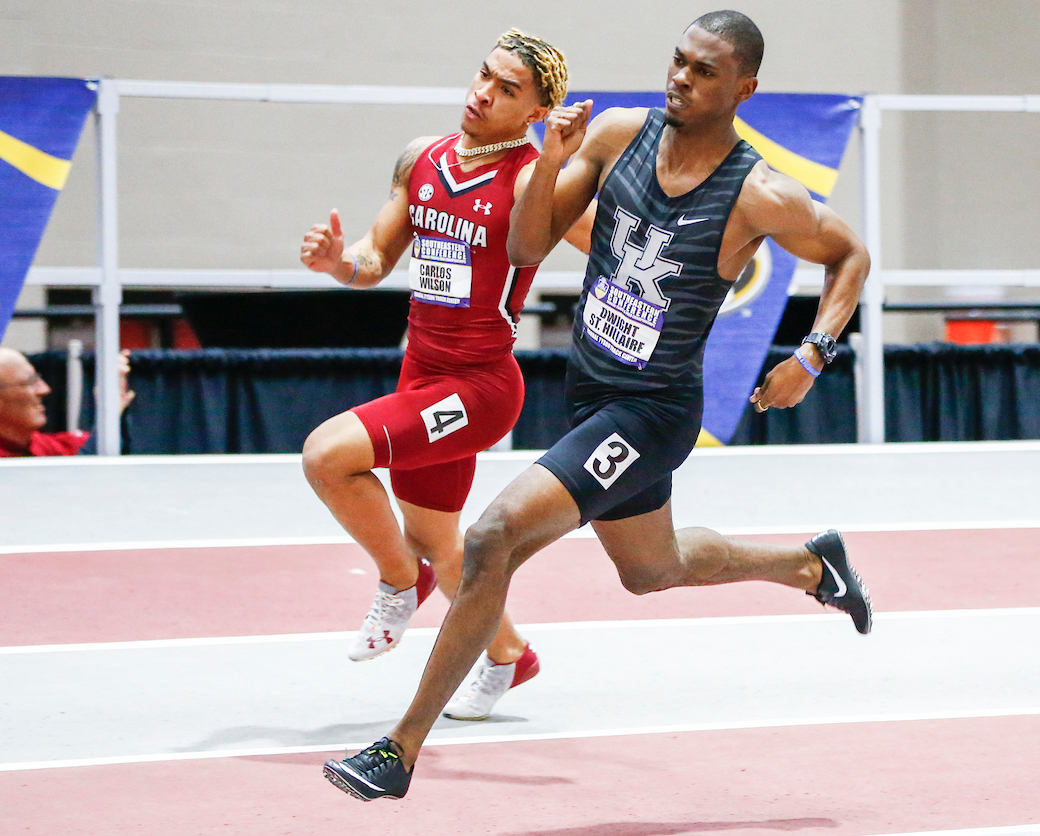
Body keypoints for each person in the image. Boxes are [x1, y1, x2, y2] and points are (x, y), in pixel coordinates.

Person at [322, 10, 873, 802]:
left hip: (652, 410)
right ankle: (810, 565)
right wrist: (549, 163)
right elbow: (524, 246)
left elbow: (848, 252)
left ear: (744, 89)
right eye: (678, 61)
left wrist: (814, 354)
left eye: (705, 70)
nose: (681, 77)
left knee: (491, 537)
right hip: (590, 388)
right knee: (653, 570)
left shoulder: (759, 194)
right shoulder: (616, 135)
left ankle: (399, 749)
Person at [300, 29, 592, 725]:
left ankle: (401, 581)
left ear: (535, 112)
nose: (481, 92)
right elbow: (374, 259)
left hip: (480, 387)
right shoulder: (422, 158)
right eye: (483, 75)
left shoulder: (532, 179)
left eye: (507, 89)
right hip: (421, 371)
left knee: (326, 456)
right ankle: (508, 654)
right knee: (440, 539)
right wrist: (338, 264)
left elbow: (613, 239)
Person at [0, 346, 134, 457]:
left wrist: (114, 409)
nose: (44, 390)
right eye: (29, 382)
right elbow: (78, 483)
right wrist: (109, 415)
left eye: (38, 379)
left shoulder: (47, 445)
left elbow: (100, 450)